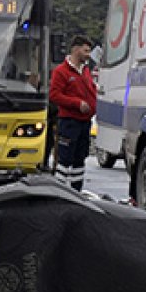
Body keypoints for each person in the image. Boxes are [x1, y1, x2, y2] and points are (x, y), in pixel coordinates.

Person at [48, 35, 97, 191]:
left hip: (85, 122)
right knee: (65, 158)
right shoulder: (61, 72)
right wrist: (76, 103)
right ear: (76, 50)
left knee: (80, 158)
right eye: (86, 50)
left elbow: (91, 91)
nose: (88, 54)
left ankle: (77, 190)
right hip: (69, 121)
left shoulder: (86, 71)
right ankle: (59, 190)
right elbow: (54, 95)